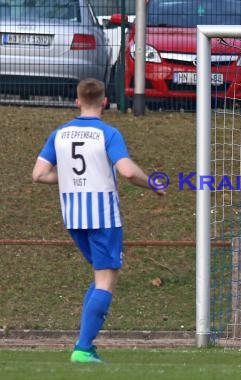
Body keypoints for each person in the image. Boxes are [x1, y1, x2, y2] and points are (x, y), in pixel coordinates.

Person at [32, 78, 165, 363]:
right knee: (106, 279)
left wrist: (68, 177)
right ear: (105, 101)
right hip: (103, 216)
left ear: (77, 101)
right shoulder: (108, 133)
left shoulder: (60, 134)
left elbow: (39, 174)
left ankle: (85, 345)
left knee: (100, 276)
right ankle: (82, 347)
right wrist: (152, 183)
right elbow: (128, 172)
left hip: (74, 217)